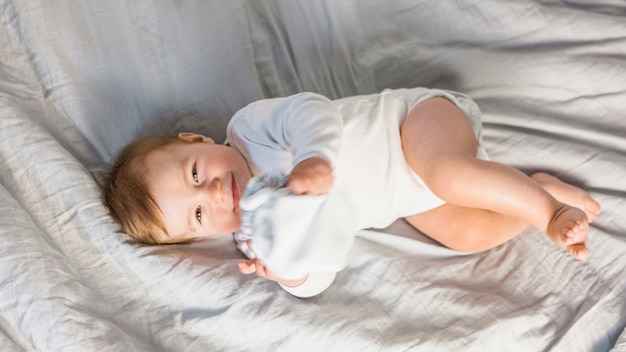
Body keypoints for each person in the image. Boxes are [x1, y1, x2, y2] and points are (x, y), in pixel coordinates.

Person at [102, 87, 602, 297]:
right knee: (467, 233)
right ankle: (534, 189)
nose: (212, 193)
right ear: (201, 237)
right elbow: (324, 272)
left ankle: (547, 211)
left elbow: (310, 109)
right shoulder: (258, 235)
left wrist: (314, 156)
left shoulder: (249, 129)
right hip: (410, 196)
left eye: (193, 174)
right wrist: (289, 271)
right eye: (196, 215)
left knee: (450, 173)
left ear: (195, 141)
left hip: (418, 124)